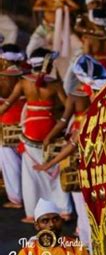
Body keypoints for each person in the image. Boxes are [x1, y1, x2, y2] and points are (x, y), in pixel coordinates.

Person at [34, 54, 106, 251]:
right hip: (104, 172)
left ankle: (90, 250)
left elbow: (71, 146)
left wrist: (48, 164)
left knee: (86, 212)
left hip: (89, 171)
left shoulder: (88, 116)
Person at [0, 48, 72, 223]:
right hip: (50, 129)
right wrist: (63, 122)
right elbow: (67, 106)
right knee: (54, 169)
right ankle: (64, 210)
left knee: (31, 176)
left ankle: (32, 213)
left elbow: (8, 103)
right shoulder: (54, 84)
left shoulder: (24, 83)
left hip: (30, 131)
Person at [0, 43, 26, 208]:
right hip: (25, 121)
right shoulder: (26, 77)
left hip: (6, 122)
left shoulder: (3, 79)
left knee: (10, 163)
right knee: (23, 162)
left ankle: (16, 198)